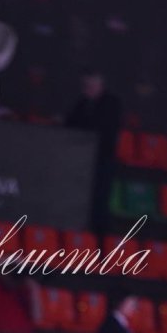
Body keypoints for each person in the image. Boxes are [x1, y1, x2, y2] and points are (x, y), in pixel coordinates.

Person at [65, 68, 123, 236]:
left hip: (102, 161)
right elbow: (71, 124)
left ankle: (100, 238)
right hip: (82, 163)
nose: (88, 89)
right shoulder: (82, 103)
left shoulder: (111, 103)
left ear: (100, 85)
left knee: (100, 200)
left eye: (92, 85)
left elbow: (105, 129)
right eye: (86, 85)